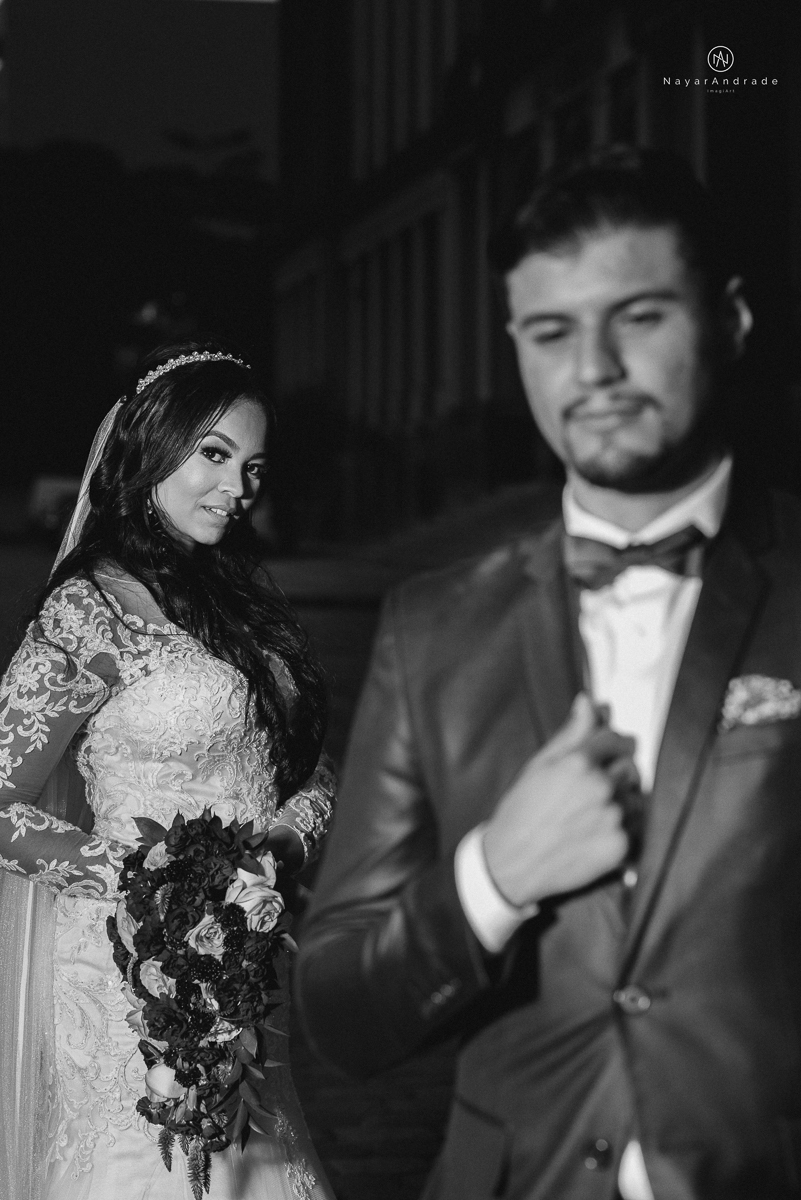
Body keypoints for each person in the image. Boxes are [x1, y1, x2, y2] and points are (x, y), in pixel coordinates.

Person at [295, 147, 801, 1200]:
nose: (595, 369)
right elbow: (337, 1015)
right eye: (553, 332)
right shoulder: (432, 627)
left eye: (642, 316)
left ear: (734, 320)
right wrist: (495, 877)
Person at [0, 341, 337, 1200]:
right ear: (150, 449)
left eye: (254, 465)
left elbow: (303, 760)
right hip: (127, 970)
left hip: (247, 959)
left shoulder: (238, 597)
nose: (239, 488)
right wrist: (151, 881)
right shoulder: (90, 611)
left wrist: (289, 837)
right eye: (214, 456)